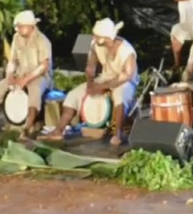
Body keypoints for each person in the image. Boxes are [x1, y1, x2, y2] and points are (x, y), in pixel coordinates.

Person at [48, 18, 139, 146]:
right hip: (105, 77)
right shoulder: (96, 45)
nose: (94, 38)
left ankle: (117, 134)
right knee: (73, 95)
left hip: (125, 81)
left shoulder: (126, 50)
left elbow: (127, 74)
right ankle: (58, 131)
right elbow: (91, 67)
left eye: (96, 36)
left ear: (105, 37)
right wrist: (90, 84)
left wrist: (104, 86)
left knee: (120, 96)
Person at [0, 10, 53, 139]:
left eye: (20, 26)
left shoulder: (42, 40)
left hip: (39, 76)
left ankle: (28, 127)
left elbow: (44, 66)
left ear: (30, 26)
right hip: (20, 74)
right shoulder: (16, 38)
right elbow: (13, 60)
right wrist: (10, 75)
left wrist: (26, 79)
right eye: (17, 26)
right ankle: (13, 118)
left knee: (34, 91)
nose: (17, 29)